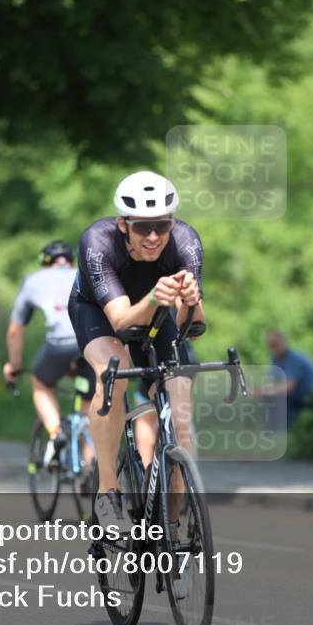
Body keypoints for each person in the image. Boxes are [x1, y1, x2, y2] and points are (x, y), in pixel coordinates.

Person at [68, 170, 205, 533]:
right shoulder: (97, 243)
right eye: (143, 228)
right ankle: (108, 489)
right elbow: (122, 322)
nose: (154, 237)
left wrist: (191, 301)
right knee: (113, 370)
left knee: (181, 408)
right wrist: (154, 297)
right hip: (100, 312)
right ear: (123, 224)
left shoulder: (186, 243)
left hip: (156, 311)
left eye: (162, 225)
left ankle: (171, 527)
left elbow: (195, 325)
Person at [3, 240, 96, 469]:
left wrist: (14, 365)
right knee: (90, 403)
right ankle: (91, 464)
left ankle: (56, 435)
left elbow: (15, 331)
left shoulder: (33, 280)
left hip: (59, 346)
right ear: (70, 261)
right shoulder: (85, 274)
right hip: (92, 344)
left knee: (42, 383)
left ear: (45, 263)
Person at [254, 330, 313, 426]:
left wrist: (262, 391)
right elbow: (274, 384)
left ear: (284, 341)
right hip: (299, 400)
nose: (273, 347)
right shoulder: (275, 359)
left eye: (275, 344)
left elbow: (289, 387)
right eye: (271, 345)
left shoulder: (294, 358)